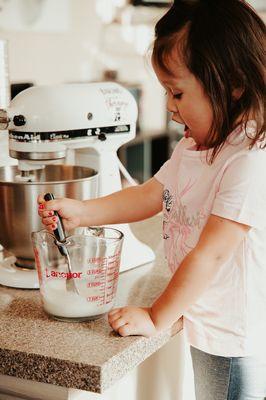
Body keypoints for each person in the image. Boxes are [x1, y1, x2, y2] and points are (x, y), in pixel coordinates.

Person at [38, 0, 266, 398]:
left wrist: (155, 316)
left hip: (233, 338)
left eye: (177, 93)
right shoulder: (196, 147)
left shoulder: (248, 159)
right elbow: (151, 194)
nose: (169, 107)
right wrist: (84, 212)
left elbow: (210, 254)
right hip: (207, 319)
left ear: (234, 83)